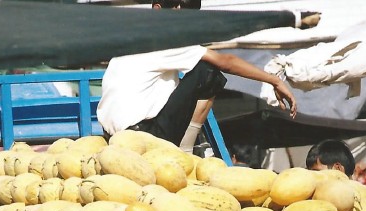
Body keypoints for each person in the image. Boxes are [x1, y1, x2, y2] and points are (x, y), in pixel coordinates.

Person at [97, 0, 297, 152]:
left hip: (114, 136)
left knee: (183, 77)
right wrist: (274, 80)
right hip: (145, 137)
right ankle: (186, 148)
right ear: (158, 9)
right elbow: (226, 62)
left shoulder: (131, 39)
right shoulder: (163, 42)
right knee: (206, 71)